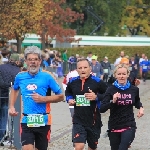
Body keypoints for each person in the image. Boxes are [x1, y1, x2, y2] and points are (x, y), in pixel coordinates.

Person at [8, 46, 64, 150]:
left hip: (44, 120)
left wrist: (43, 99)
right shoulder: (20, 76)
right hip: (26, 120)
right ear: (26, 61)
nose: (32, 62)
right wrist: (11, 106)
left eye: (35, 59)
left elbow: (61, 96)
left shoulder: (47, 76)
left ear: (40, 61)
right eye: (30, 59)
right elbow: (14, 89)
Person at [65, 58, 107, 150]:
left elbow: (108, 94)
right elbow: (68, 93)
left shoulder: (97, 81)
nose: (82, 70)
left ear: (90, 68)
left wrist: (96, 97)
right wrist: (69, 99)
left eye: (85, 67)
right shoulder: (72, 81)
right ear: (76, 69)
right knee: (79, 146)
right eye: (80, 68)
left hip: (94, 121)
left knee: (92, 147)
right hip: (78, 120)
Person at [100, 64, 144, 150]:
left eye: (124, 74)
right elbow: (102, 108)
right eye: (119, 74)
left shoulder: (134, 89)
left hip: (129, 124)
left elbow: (137, 101)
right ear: (115, 75)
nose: (121, 76)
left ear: (127, 74)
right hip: (114, 125)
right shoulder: (110, 89)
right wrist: (113, 101)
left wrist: (141, 108)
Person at [0, 53, 21, 143]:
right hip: (7, 95)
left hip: (1, 92)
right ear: (16, 61)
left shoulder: (1, 67)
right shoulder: (18, 71)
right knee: (4, 116)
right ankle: (2, 136)